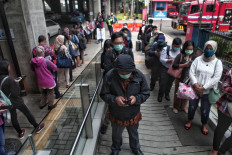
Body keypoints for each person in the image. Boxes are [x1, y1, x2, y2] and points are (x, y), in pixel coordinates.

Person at [100, 54, 150, 155]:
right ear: (116, 69)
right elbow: (104, 94)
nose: (124, 74)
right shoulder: (110, 75)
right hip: (116, 113)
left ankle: (136, 149)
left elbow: (145, 93)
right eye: (121, 72)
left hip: (133, 113)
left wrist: (136, 99)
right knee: (116, 134)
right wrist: (115, 99)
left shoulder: (139, 75)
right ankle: (115, 149)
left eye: (127, 72)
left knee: (134, 133)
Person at [185, 40, 223, 135]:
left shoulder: (217, 63)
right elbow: (191, 72)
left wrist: (203, 88)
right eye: (207, 48)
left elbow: (216, 78)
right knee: (192, 106)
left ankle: (204, 124)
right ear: (204, 48)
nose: (208, 50)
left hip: (207, 91)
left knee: (205, 109)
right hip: (195, 89)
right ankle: (189, 120)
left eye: (211, 49)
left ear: (215, 50)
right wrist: (197, 86)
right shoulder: (198, 59)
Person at [0, 60, 45, 139]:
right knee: (27, 113)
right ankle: (37, 127)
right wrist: (16, 83)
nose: (9, 67)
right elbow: (16, 92)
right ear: (5, 68)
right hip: (16, 101)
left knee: (14, 117)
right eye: (8, 66)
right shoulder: (9, 79)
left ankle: (20, 133)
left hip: (7, 102)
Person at [210, 68, 232, 155]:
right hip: (226, 107)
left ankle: (222, 151)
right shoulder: (231, 72)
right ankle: (215, 149)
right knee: (221, 129)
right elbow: (224, 87)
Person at [30, 46, 57, 110]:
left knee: (43, 92)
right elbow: (55, 68)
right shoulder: (46, 61)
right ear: (43, 53)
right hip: (49, 80)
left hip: (40, 81)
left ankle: (42, 104)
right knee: (50, 93)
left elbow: (32, 69)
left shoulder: (32, 61)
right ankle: (50, 105)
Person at [172, 40, 196, 114]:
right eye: (188, 49)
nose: (189, 51)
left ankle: (183, 106)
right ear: (185, 48)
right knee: (178, 93)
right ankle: (176, 106)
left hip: (189, 79)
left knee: (187, 93)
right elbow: (174, 65)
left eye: (191, 49)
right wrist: (184, 65)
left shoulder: (194, 57)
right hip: (180, 78)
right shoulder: (180, 56)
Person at [158, 37, 182, 102]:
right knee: (163, 83)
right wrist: (171, 60)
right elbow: (161, 59)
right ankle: (160, 95)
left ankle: (167, 94)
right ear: (173, 44)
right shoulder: (166, 49)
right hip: (165, 69)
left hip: (174, 69)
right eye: (176, 46)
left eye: (179, 46)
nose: (177, 48)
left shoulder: (180, 50)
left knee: (170, 83)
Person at [100, 39, 114, 134]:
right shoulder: (103, 55)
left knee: (112, 106)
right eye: (107, 48)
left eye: (110, 47)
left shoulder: (116, 55)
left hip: (116, 81)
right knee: (111, 105)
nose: (108, 49)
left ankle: (105, 124)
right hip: (108, 81)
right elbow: (102, 66)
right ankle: (105, 124)